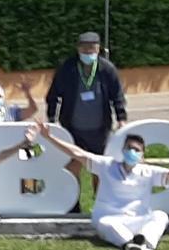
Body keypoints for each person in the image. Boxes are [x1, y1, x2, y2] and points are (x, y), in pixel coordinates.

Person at [37, 121, 169, 250]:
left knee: (160, 216)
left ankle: (145, 244)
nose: (132, 152)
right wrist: (50, 137)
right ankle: (130, 245)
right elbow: (76, 153)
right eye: (129, 148)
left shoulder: (148, 171)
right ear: (123, 150)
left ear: (143, 155)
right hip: (110, 217)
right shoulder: (106, 165)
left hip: (139, 220)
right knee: (106, 224)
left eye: (137, 150)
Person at [44, 31, 127, 208]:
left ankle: (101, 205)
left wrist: (121, 118)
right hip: (72, 128)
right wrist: (52, 118)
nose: (88, 52)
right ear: (78, 48)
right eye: (84, 48)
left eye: (92, 48)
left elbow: (117, 96)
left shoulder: (107, 69)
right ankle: (73, 206)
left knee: (100, 169)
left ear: (98, 49)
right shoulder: (67, 68)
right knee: (73, 167)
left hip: (100, 129)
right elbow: (53, 95)